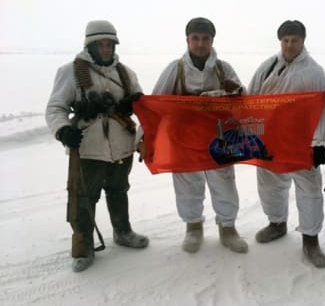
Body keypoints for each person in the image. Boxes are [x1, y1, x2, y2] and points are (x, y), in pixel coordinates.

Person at [46, 20, 149, 272]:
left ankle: (123, 232)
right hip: (88, 148)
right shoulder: (70, 72)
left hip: (121, 147)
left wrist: (134, 108)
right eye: (100, 44)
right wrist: (63, 130)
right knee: (84, 198)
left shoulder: (126, 73)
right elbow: (55, 108)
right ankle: (84, 248)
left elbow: (144, 108)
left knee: (118, 190)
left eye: (109, 44)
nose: (105, 49)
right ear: (89, 45)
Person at [248, 20, 325, 268]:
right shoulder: (267, 67)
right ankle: (277, 223)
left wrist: (319, 143)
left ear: (303, 41)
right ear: (280, 41)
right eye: (286, 40)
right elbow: (251, 99)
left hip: (301, 142)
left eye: (295, 40)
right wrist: (249, 133)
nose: (289, 45)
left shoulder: (313, 71)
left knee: (309, 191)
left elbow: (321, 109)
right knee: (269, 185)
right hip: (269, 140)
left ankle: (311, 240)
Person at [151, 17, 248, 254]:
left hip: (220, 140)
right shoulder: (175, 69)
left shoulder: (224, 69)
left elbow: (244, 104)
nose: (200, 43)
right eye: (195, 38)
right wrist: (146, 139)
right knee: (187, 185)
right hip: (184, 140)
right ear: (187, 40)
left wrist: (234, 93)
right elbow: (155, 104)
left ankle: (228, 228)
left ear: (212, 40)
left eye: (205, 38)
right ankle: (193, 227)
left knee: (225, 184)